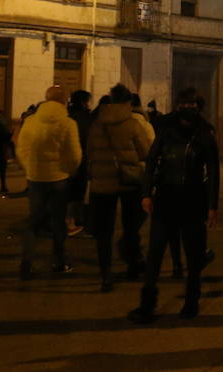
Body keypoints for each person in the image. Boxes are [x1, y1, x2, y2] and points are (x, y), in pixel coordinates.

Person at [128, 87, 220, 323]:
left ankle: (191, 302)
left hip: (193, 200)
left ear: (198, 107)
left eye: (192, 105)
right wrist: (146, 193)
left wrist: (212, 206)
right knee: (155, 254)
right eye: (183, 104)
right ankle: (147, 304)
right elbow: (151, 160)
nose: (187, 109)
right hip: (166, 199)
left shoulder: (205, 134)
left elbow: (213, 171)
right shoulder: (166, 129)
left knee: (193, 256)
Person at [87, 82, 155, 291]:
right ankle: (133, 265)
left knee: (104, 232)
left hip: (101, 183)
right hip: (129, 181)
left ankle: (105, 274)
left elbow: (89, 151)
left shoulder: (97, 123)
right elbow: (145, 152)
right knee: (131, 226)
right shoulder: (133, 123)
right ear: (127, 102)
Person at [16, 85, 82, 279]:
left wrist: (29, 168)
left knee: (33, 222)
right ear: (64, 101)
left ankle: (26, 263)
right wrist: (69, 170)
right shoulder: (68, 123)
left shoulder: (30, 121)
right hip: (58, 178)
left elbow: (22, 149)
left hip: (35, 178)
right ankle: (59, 261)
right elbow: (74, 154)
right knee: (58, 222)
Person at [65, 90, 94, 236]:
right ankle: (72, 221)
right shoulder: (85, 118)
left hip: (67, 159)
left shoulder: (67, 116)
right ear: (83, 102)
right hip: (81, 158)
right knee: (77, 192)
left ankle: (70, 220)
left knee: (69, 192)